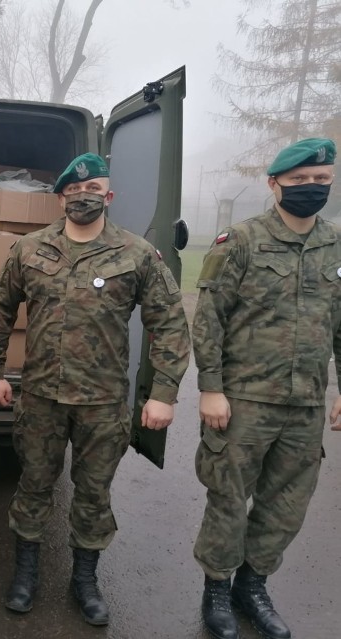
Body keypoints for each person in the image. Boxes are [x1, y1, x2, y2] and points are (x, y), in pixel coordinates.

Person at [0, 152, 191, 626]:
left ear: (108, 196)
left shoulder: (136, 254)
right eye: (75, 191)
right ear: (61, 198)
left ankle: (85, 580)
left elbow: (170, 323)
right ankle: (26, 573)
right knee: (34, 485)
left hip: (102, 402)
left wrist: (163, 392)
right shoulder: (29, 248)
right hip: (40, 396)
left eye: (93, 189)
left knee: (93, 492)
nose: (84, 196)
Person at [192, 138, 338, 639]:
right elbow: (209, 318)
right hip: (245, 400)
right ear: (275, 184)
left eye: (321, 180)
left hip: (305, 405)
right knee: (229, 497)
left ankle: (252, 586)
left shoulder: (336, 244)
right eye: (300, 181)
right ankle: (217, 586)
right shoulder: (242, 241)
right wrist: (210, 388)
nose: (312, 188)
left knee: (286, 504)